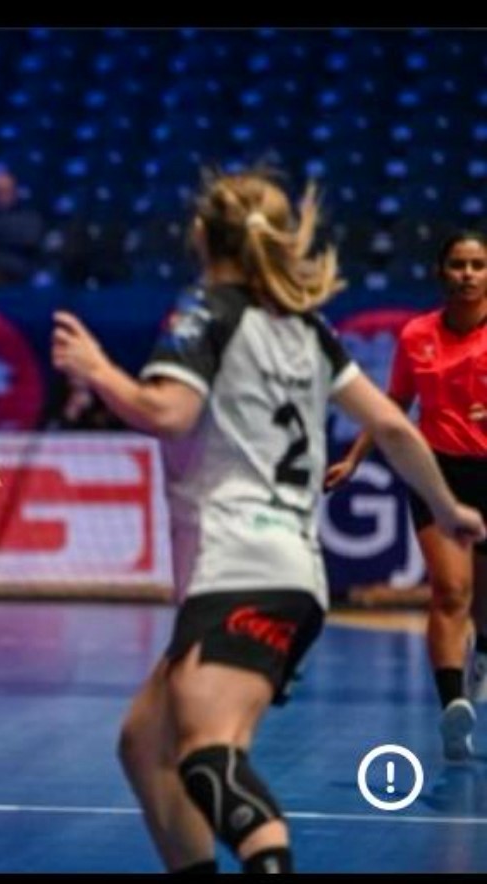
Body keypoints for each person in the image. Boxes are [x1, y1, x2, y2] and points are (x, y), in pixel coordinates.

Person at [51, 169, 485, 874]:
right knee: (144, 743)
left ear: (202, 235)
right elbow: (392, 426)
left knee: (208, 756)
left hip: (239, 568)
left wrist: (97, 370)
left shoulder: (206, 313)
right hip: (288, 570)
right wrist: (447, 506)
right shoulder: (308, 327)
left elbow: (168, 413)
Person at [325, 231, 487, 761]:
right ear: (441, 272)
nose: (468, 274)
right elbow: (393, 404)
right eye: (458, 264)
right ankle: (453, 710)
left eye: (478, 265)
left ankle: (481, 656)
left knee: (483, 603)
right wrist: (354, 459)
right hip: (436, 476)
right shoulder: (417, 335)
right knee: (450, 591)